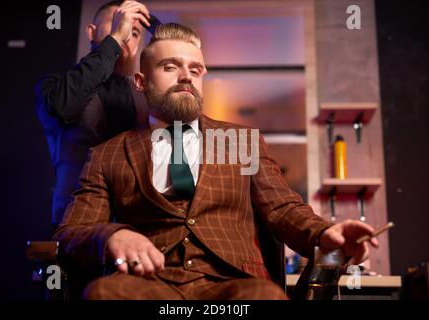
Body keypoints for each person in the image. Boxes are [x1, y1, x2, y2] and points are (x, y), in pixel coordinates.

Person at [53, 23, 379, 300]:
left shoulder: (241, 142)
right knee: (104, 294)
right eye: (170, 67)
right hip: (148, 285)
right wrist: (112, 235)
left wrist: (327, 234)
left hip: (232, 286)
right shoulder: (108, 153)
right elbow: (72, 231)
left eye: (195, 69)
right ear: (141, 82)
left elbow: (283, 210)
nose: (186, 77)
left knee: (263, 298)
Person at [36, 1, 151, 225]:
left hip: (136, 228)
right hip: (76, 223)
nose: (127, 34)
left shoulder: (145, 97)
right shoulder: (55, 86)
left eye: (134, 32)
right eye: (119, 24)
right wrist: (115, 39)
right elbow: (64, 107)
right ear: (92, 32)